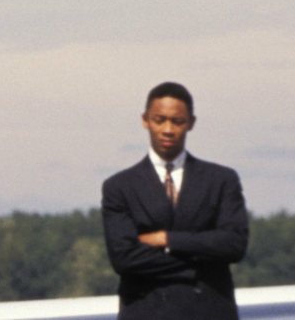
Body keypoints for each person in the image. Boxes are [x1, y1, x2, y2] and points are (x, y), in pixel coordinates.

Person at [102, 82, 249, 320]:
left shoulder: (221, 180)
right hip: (147, 312)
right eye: (160, 120)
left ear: (191, 122)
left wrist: (167, 239)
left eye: (177, 121)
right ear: (145, 120)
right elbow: (124, 259)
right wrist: (202, 262)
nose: (168, 129)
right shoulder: (119, 187)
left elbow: (234, 244)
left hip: (209, 312)